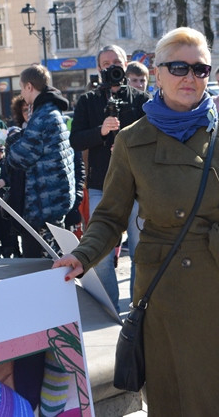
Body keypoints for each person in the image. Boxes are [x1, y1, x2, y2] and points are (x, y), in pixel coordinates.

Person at [54, 27, 219, 416]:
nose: (190, 77)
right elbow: (110, 215)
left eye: (200, 69)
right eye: (179, 67)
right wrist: (83, 255)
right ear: (157, 74)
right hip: (170, 292)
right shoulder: (132, 141)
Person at [69, 45, 150, 310]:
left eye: (116, 62)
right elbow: (75, 140)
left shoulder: (141, 99)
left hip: (137, 186)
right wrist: (100, 131)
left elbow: (154, 138)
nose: (111, 67)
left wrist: (129, 144)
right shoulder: (88, 101)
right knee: (101, 253)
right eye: (106, 63)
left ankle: (139, 307)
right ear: (98, 67)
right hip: (100, 186)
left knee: (141, 250)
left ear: (125, 64)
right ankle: (108, 309)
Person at [5, 65, 74, 258]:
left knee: (44, 263)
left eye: (21, 88)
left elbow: (20, 156)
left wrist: (11, 146)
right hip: (54, 198)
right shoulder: (52, 111)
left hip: (45, 202)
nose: (21, 93)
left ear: (29, 86)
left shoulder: (43, 115)